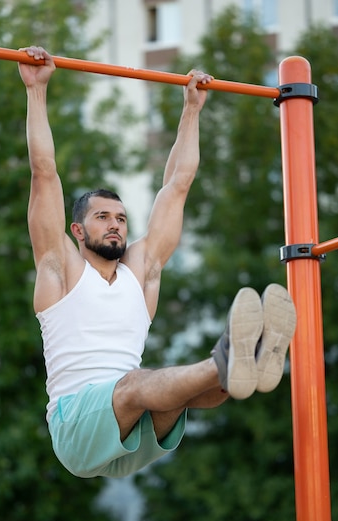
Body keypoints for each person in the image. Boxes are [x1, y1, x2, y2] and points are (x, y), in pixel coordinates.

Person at [18, 46, 297, 479]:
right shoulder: (61, 270)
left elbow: (178, 185)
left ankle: (241, 363)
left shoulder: (142, 273)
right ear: (77, 231)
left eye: (121, 219)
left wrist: (192, 109)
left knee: (198, 391)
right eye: (102, 217)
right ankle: (230, 354)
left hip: (136, 432)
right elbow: (44, 173)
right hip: (77, 429)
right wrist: (36, 91)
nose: (115, 225)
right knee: (141, 384)